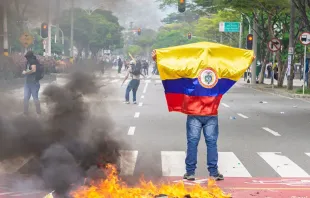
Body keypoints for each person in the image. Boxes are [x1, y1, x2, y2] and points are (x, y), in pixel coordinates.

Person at [152, 49, 224, 181]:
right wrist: (249, 60)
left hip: (194, 112)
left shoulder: (191, 68)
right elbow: (235, 68)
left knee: (192, 142)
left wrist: (159, 59)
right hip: (211, 112)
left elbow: (174, 69)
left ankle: (190, 172)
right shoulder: (217, 69)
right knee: (212, 143)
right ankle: (213, 173)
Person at [23, 51, 41, 115]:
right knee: (25, 98)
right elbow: (28, 69)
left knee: (35, 98)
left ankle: (39, 113)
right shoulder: (28, 62)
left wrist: (25, 73)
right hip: (27, 82)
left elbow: (33, 70)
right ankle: (25, 113)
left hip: (34, 83)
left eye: (27, 57)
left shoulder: (33, 61)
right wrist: (25, 71)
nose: (26, 58)